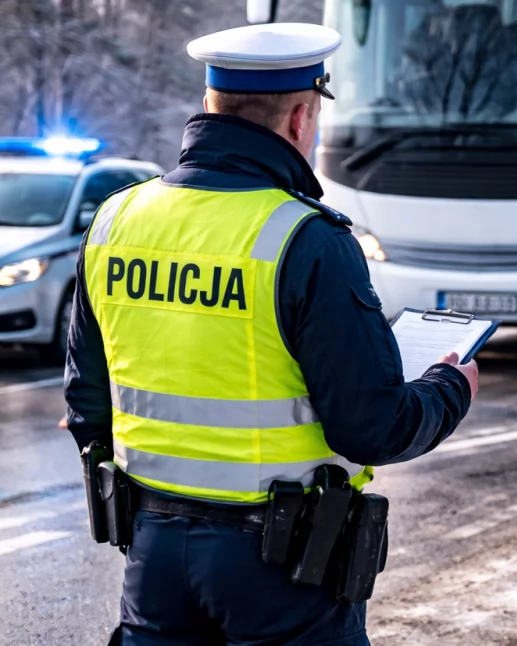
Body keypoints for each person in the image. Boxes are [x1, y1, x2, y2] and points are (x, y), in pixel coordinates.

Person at [63, 22, 478, 645]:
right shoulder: (308, 240)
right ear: (299, 121)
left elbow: (87, 411)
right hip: (283, 569)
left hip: (152, 552)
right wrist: (450, 386)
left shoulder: (115, 220)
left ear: (209, 106)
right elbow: (372, 427)